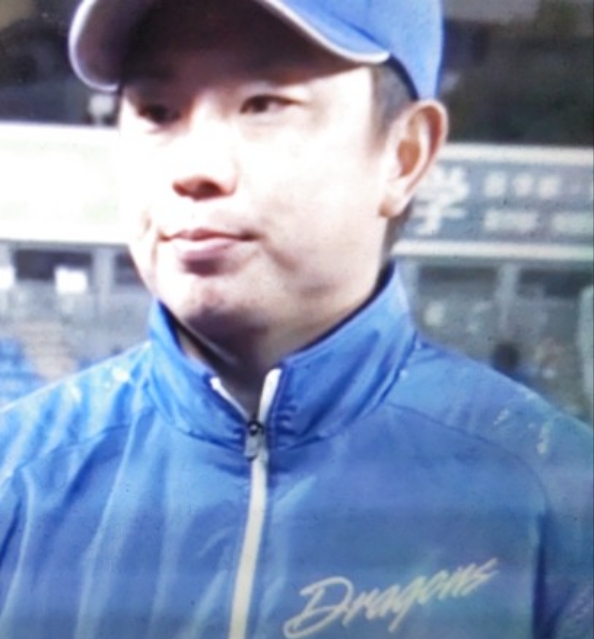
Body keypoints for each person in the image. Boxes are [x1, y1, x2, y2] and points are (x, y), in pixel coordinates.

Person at [0, 0, 592, 637]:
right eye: (157, 111)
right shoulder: (17, 473)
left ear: (404, 155)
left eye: (263, 104)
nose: (194, 169)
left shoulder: (561, 496)